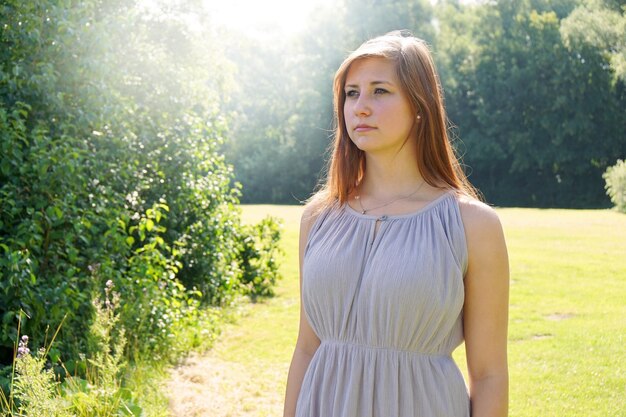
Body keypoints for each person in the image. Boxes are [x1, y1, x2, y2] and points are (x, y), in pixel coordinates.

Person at [283, 30, 509, 417]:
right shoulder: (318, 217)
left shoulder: (473, 225)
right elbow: (307, 346)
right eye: (351, 93)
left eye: (380, 91)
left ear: (419, 105)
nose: (360, 107)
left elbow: (489, 375)